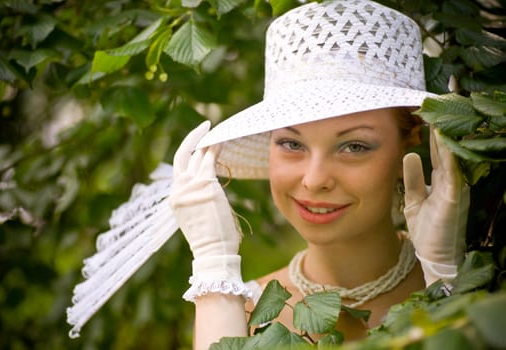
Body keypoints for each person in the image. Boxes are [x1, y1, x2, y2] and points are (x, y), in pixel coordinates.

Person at [169, 0, 470, 349]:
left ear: (410, 142)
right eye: (291, 144)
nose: (314, 180)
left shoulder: (467, 283)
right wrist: (213, 264)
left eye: (354, 146)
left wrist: (445, 279)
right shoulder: (240, 311)